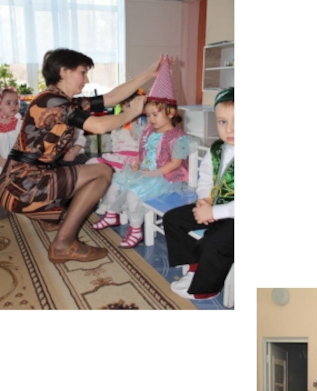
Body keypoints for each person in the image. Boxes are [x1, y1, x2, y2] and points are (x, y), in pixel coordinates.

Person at [0, 49, 164, 262]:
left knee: (95, 170)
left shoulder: (58, 100)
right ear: (64, 72)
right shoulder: (52, 102)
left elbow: (110, 98)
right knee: (102, 171)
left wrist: (148, 74)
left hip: (19, 182)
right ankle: (63, 243)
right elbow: (98, 125)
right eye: (83, 72)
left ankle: (52, 225)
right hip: (22, 185)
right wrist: (132, 112)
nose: (86, 79)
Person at [92, 57, 193, 249]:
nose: (151, 119)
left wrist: (155, 172)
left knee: (132, 194)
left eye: (155, 115)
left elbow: (175, 163)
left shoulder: (177, 137)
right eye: (148, 115)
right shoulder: (148, 131)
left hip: (164, 176)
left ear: (171, 113)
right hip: (144, 172)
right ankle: (111, 214)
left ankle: (136, 229)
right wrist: (138, 162)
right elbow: (143, 151)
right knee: (117, 182)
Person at [165, 86, 235, 299]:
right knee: (172, 219)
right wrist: (204, 199)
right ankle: (195, 265)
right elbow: (205, 176)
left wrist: (214, 213)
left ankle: (206, 287)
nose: (230, 129)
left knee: (216, 240)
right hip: (215, 206)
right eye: (222, 122)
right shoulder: (218, 149)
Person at [86, 90, 146, 173]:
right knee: (92, 163)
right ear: (121, 107)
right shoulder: (118, 123)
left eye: (136, 106)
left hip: (135, 157)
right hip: (118, 154)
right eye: (128, 106)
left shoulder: (142, 122)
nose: (132, 109)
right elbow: (113, 141)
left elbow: (144, 142)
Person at [0, 87, 22, 169]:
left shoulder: (21, 123)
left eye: (16, 103)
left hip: (18, 166)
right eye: (8, 103)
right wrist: (2, 162)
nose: (13, 106)